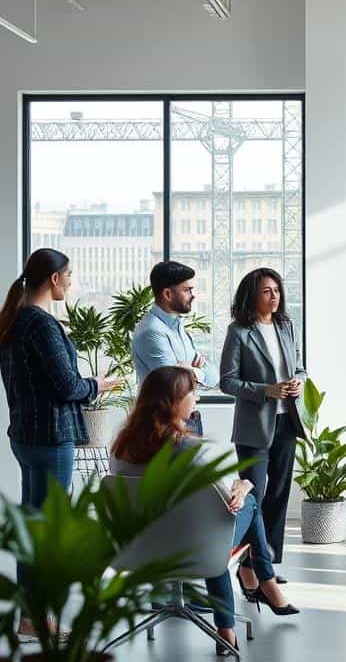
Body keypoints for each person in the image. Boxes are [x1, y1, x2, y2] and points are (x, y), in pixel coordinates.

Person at [111, 366, 298, 654]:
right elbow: (224, 503)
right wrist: (244, 486)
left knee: (209, 527)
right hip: (193, 548)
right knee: (239, 511)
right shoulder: (185, 447)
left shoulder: (121, 447)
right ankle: (246, 604)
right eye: (193, 393)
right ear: (173, 401)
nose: (196, 399)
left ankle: (259, 589)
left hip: (138, 549)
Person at [0, 249, 122, 640]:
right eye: (68, 276)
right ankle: (41, 619)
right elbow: (68, 386)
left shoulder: (14, 319)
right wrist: (98, 385)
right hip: (51, 439)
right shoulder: (41, 324)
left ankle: (30, 618)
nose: (70, 282)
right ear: (54, 278)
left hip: (26, 436)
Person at [220, 268, 307, 587]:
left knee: (279, 494)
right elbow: (227, 382)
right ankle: (249, 565)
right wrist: (266, 390)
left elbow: (300, 368)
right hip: (253, 427)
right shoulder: (238, 332)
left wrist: (298, 382)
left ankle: (264, 564)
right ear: (252, 296)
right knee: (252, 495)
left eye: (277, 290)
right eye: (267, 291)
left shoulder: (286, 326)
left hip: (287, 421)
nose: (274, 296)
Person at [132, 261, 218, 436]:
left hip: (188, 419)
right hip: (163, 425)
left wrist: (192, 371)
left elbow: (213, 376)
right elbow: (173, 384)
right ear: (167, 294)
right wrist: (196, 371)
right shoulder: (152, 331)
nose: (193, 295)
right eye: (187, 290)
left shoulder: (179, 327)